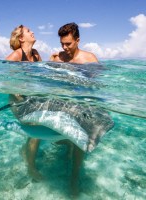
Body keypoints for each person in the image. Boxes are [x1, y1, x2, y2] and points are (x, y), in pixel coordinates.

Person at [50, 22, 99, 195]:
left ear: (77, 40)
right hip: (63, 100)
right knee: (59, 133)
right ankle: (66, 145)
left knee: (79, 138)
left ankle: (74, 177)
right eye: (62, 43)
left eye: (68, 44)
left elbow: (97, 86)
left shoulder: (90, 59)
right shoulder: (56, 58)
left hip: (81, 103)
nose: (64, 47)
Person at [5, 25, 43, 181]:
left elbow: (43, 75)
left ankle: (25, 152)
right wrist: (14, 89)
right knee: (36, 131)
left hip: (32, 99)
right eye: (28, 31)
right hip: (18, 103)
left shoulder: (36, 54)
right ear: (21, 38)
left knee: (41, 128)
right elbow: (3, 77)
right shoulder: (15, 56)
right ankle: (31, 168)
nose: (32, 32)